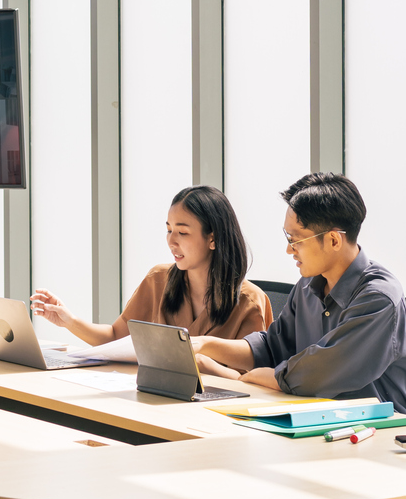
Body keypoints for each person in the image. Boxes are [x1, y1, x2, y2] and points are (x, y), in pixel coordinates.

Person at [192, 173, 406, 407]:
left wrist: (273, 378)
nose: (288, 249)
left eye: (296, 240)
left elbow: (326, 370)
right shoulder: (307, 286)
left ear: (334, 240)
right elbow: (273, 347)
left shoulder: (380, 298)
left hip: (377, 431)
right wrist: (204, 344)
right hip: (313, 419)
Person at [31, 186, 271, 366]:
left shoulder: (250, 302)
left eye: (183, 232)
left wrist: (199, 362)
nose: (171, 241)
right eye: (168, 229)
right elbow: (116, 338)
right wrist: (69, 321)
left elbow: (251, 379)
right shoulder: (158, 280)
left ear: (212, 238)